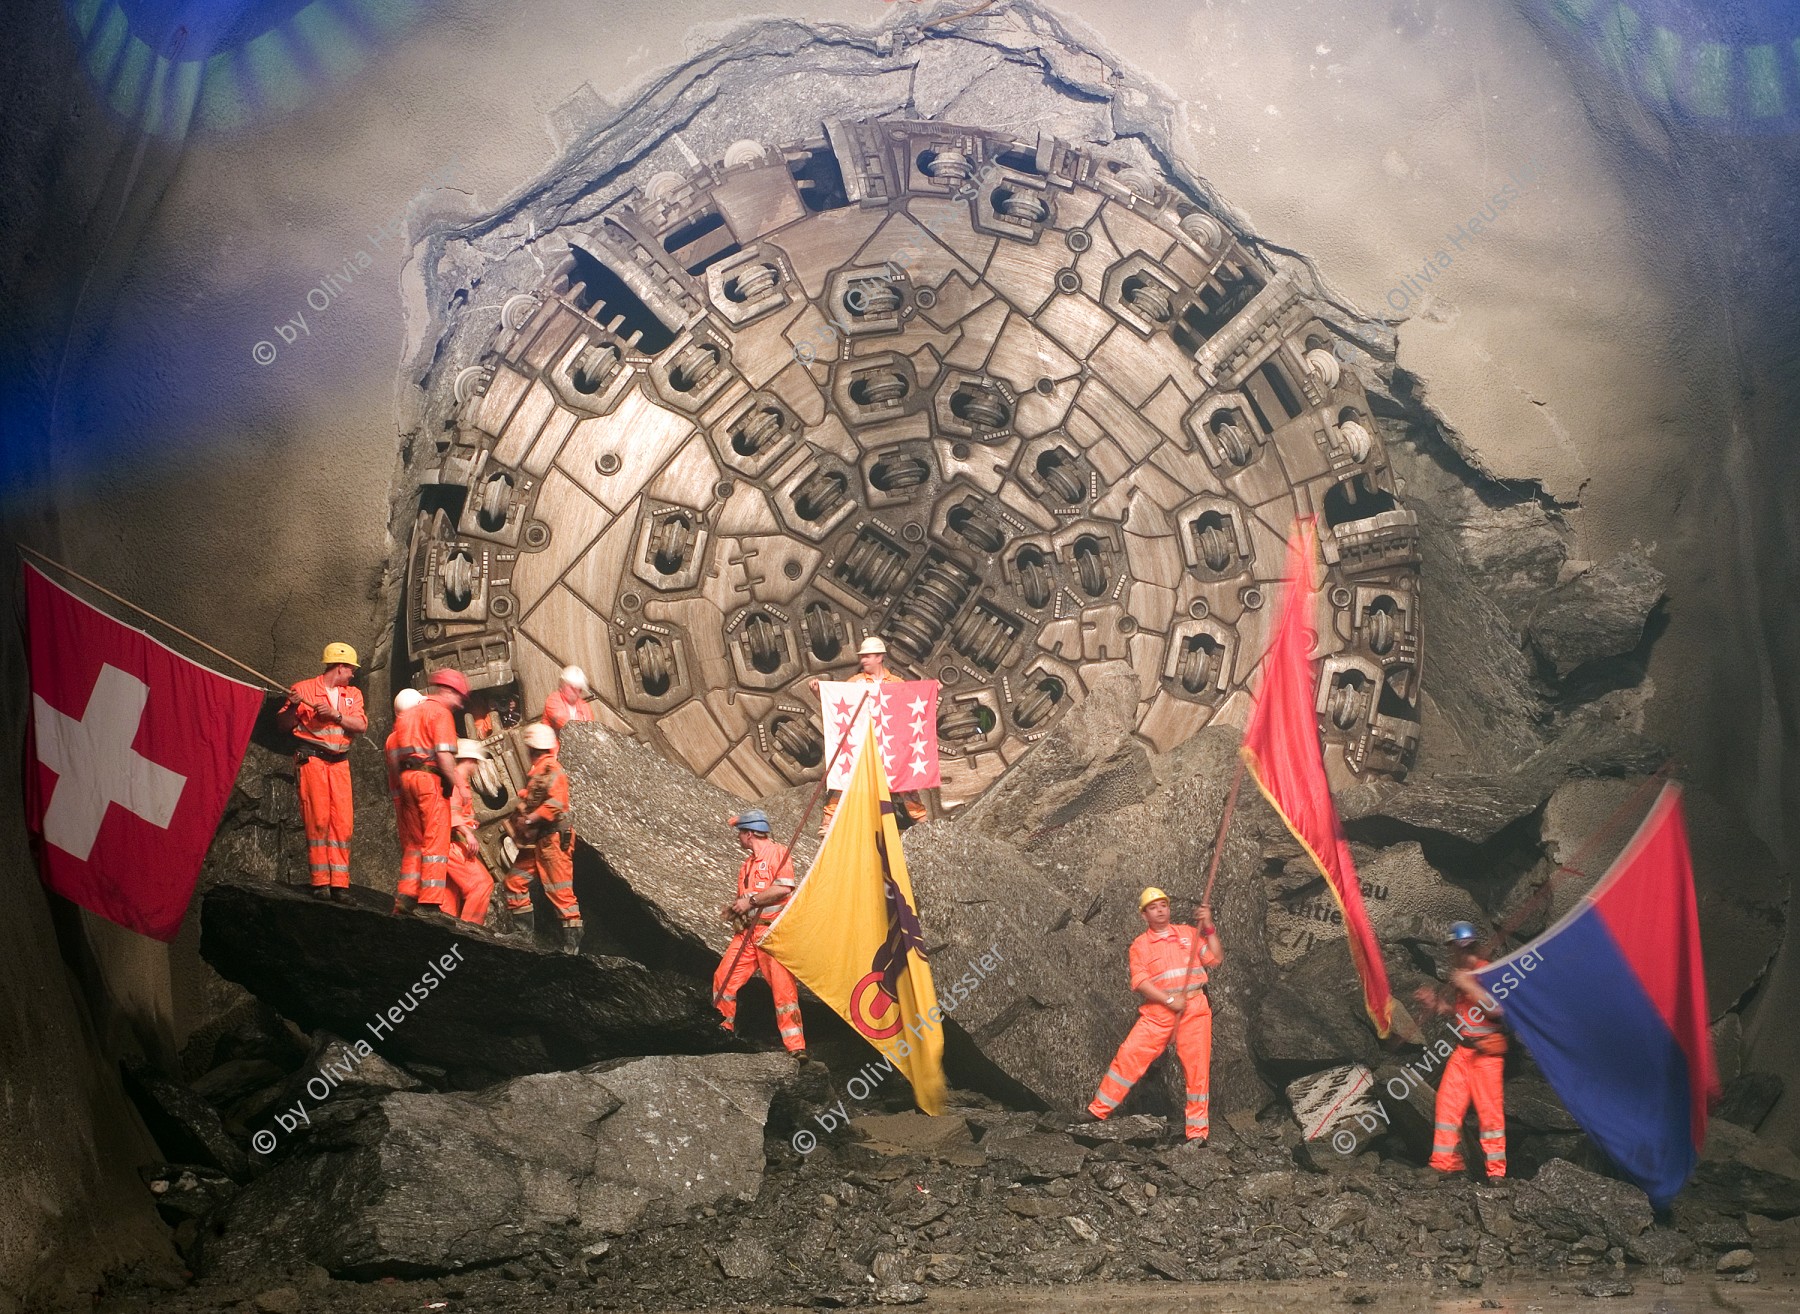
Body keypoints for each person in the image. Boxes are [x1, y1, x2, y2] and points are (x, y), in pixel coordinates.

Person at [1085, 887, 1222, 1143]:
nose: (1160, 910)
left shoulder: (1188, 934)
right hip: (1159, 1012)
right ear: (1144, 915)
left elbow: (1215, 958)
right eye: (1153, 907)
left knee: (1197, 1071)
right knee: (1128, 1057)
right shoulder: (1140, 945)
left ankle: (1197, 1134)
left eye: (1163, 905)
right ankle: (1097, 1112)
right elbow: (1140, 982)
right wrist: (1170, 1000)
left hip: (1195, 1009)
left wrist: (1209, 926)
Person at [712, 810, 807, 1060]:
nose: (738, 838)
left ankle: (796, 1047)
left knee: (783, 990)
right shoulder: (746, 865)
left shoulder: (778, 852)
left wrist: (751, 902)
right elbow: (746, 900)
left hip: (773, 934)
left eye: (739, 833)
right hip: (748, 934)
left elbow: (784, 887)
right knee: (724, 979)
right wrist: (736, 909)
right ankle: (723, 1030)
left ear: (749, 833)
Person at [1416, 921, 1507, 1180]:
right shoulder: (1463, 974)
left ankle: (1496, 1174)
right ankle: (1445, 1163)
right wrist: (1438, 1005)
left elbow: (1496, 1009)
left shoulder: (1485, 971)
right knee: (1446, 1108)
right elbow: (1467, 1015)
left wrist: (1467, 984)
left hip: (1487, 1056)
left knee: (1490, 1116)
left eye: (1457, 949)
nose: (1455, 954)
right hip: (1464, 1052)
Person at [278, 643, 369, 901]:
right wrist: (294, 707)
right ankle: (321, 883)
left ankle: (340, 884)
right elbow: (283, 725)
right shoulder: (303, 689)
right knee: (317, 819)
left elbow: (360, 724)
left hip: (340, 762)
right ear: (340, 667)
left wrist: (336, 715)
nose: (353, 674)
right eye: (351, 669)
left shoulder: (353, 694)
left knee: (343, 823)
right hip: (313, 760)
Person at [809, 636, 927, 833]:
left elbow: (913, 705)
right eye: (862, 657)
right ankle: (828, 821)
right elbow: (836, 703)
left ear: (880, 657)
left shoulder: (896, 683)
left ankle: (922, 820)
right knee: (845, 777)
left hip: (890, 744)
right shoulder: (856, 682)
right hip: (863, 742)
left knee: (904, 780)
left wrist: (934, 691)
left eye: (868, 656)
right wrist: (817, 692)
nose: (863, 660)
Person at [391, 668, 467, 917]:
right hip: (429, 781)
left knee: (415, 843)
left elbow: (396, 755)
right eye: (458, 696)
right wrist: (460, 785)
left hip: (407, 779)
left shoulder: (409, 714)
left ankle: (406, 896)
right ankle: (430, 903)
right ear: (447, 690)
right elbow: (444, 757)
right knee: (436, 841)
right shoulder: (440, 714)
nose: (458, 703)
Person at [503, 722, 584, 953]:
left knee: (560, 891)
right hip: (538, 841)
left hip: (553, 840)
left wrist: (529, 819)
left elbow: (555, 805)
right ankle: (522, 936)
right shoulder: (542, 770)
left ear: (532, 749)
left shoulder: (552, 769)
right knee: (515, 882)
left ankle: (572, 945)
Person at [442, 738, 495, 926]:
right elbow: (451, 811)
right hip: (449, 843)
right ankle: (469, 930)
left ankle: (445, 935)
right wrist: (468, 833)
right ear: (470, 760)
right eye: (476, 761)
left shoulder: (458, 780)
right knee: (481, 884)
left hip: (445, 844)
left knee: (449, 894)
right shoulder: (456, 780)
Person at [384, 688, 426, 901]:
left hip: (405, 799)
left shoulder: (394, 737)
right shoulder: (402, 737)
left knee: (416, 849)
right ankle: (411, 897)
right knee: (417, 849)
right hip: (411, 801)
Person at [543, 665, 595, 732]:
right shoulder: (553, 700)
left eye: (578, 689)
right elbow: (565, 724)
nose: (575, 692)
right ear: (562, 685)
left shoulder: (585, 707)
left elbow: (591, 729)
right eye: (572, 688)